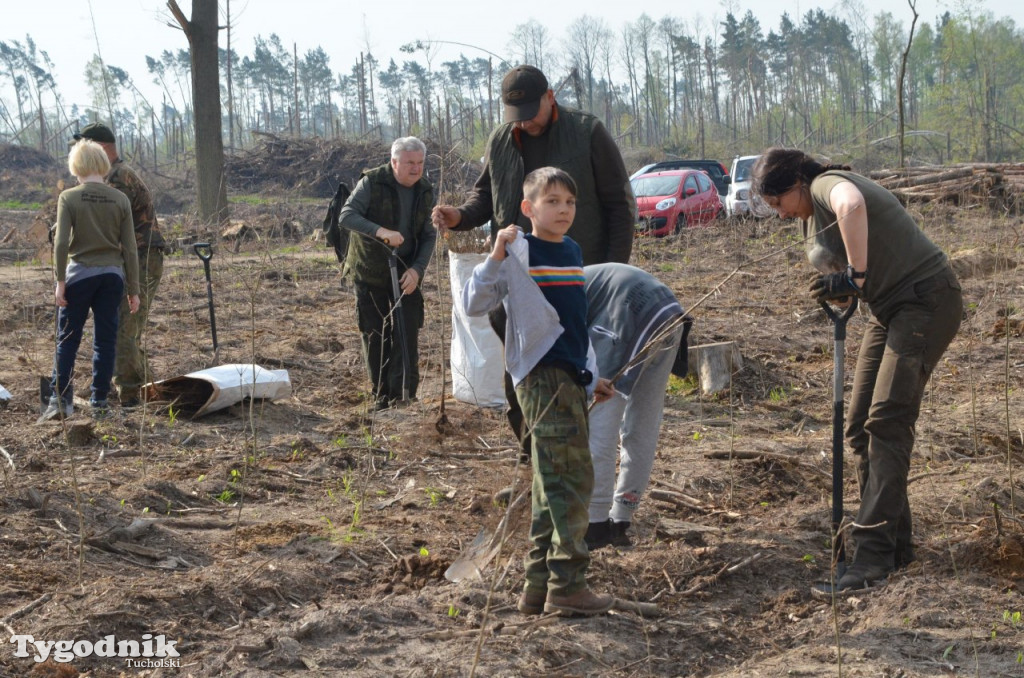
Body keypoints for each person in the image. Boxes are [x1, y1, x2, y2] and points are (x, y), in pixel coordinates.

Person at [753, 147, 963, 591]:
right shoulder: (811, 211)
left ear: (795, 182)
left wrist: (857, 276)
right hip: (891, 311)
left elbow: (854, 205)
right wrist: (844, 290)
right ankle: (897, 546)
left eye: (778, 203)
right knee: (859, 427)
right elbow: (859, 249)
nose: (780, 214)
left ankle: (872, 557)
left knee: (887, 421)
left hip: (926, 301)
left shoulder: (824, 186)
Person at [432, 64, 636, 449]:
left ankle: (573, 455)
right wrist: (459, 217)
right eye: (516, 118)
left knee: (575, 364)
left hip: (575, 275)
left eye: (531, 114)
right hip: (519, 281)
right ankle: (532, 455)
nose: (524, 124)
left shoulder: (586, 133)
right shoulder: (502, 139)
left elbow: (620, 206)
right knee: (521, 369)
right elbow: (485, 196)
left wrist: (613, 272)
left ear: (550, 97)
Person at [462, 167, 615, 617]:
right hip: (540, 377)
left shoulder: (571, 251)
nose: (563, 209)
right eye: (552, 202)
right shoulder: (517, 251)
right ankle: (568, 584)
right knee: (572, 479)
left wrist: (592, 374)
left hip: (569, 378)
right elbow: (474, 302)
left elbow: (576, 325)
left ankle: (538, 587)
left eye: (569, 201)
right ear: (528, 209)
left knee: (552, 481)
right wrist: (494, 253)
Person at [582, 263, 693, 551]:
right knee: (644, 418)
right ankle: (621, 518)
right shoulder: (555, 282)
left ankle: (595, 526)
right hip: (668, 312)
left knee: (600, 421)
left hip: (627, 310)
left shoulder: (540, 306)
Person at [40, 139, 140, 421]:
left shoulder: (69, 198)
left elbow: (61, 244)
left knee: (68, 339)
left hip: (79, 275)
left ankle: (59, 401)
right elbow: (130, 248)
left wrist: (60, 281)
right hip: (112, 277)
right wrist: (134, 289)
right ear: (102, 165)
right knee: (105, 341)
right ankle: (99, 402)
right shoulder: (120, 199)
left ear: (77, 167)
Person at [73, 122, 166, 407]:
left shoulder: (118, 179)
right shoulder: (108, 178)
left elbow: (104, 220)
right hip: (124, 259)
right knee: (118, 326)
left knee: (125, 328)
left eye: (84, 146)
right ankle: (146, 389)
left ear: (101, 148)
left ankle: (131, 396)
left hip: (140, 259)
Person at [340, 137, 437, 410]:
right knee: (375, 334)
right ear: (394, 162)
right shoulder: (372, 182)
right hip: (370, 271)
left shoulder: (426, 190)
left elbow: (430, 235)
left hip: (406, 273)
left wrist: (418, 271)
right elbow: (346, 215)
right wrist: (380, 232)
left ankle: (404, 395)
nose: (416, 169)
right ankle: (380, 395)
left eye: (420, 163)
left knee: (407, 331)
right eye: (409, 163)